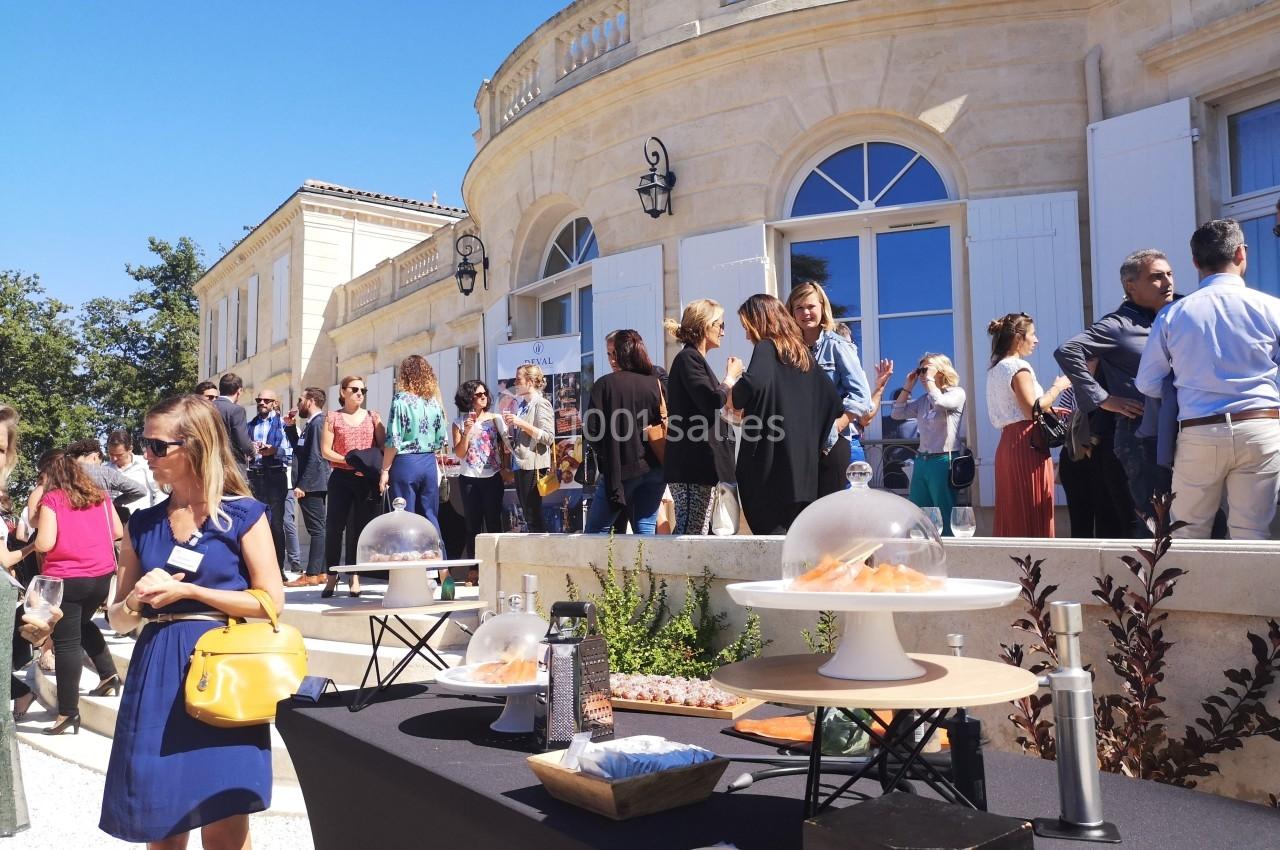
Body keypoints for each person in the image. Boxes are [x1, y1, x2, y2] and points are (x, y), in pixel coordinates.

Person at [98, 394, 283, 846]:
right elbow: (117, 619)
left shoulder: (242, 514)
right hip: (157, 671)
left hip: (224, 671)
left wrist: (191, 591)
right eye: (146, 443)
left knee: (224, 815)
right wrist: (139, 601)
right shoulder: (140, 524)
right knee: (157, 816)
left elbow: (271, 602)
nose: (147, 454)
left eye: (159, 446)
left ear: (196, 446)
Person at [1136, 219, 1280, 539]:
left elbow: (1146, 383)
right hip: (1261, 425)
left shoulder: (1174, 314)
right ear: (1241, 254)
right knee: (1252, 532)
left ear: (1195, 262)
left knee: (1187, 534)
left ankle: (1191, 592)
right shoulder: (1272, 308)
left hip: (1199, 428)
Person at [1055, 249, 1176, 533]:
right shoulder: (1118, 325)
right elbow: (1067, 350)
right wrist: (1103, 399)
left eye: (1169, 274)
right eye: (1156, 277)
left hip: (1185, 431)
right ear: (1131, 286)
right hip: (1140, 438)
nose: (1168, 282)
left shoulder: (1178, 311)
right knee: (1150, 521)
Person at [26, 450, 123, 735]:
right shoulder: (101, 497)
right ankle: (108, 675)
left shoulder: (52, 499)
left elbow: (44, 543)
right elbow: (117, 530)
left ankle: (67, 713)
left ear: (49, 477)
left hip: (67, 579)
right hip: (101, 576)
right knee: (80, 624)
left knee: (66, 642)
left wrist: (41, 491)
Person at [730, 294, 841, 534]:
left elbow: (750, 385)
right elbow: (832, 400)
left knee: (773, 545)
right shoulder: (802, 354)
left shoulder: (766, 347)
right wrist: (813, 439)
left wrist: (733, 383)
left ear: (760, 322)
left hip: (768, 470)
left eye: (747, 327)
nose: (747, 335)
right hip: (804, 474)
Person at [986, 313, 1072, 537]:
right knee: (1033, 509)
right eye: (1032, 335)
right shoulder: (1018, 367)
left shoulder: (995, 370)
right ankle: (1033, 568)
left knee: (1012, 511)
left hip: (1007, 444)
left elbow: (1017, 409)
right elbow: (1032, 410)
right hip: (1027, 445)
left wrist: (1049, 409)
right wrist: (1058, 387)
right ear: (1018, 337)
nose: (1036, 340)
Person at [663, 299, 743, 534]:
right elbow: (711, 400)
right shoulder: (688, 359)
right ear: (704, 325)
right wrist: (730, 378)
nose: (723, 331)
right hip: (690, 467)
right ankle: (678, 573)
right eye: (720, 324)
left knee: (695, 531)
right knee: (690, 532)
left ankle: (685, 572)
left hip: (697, 466)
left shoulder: (692, 359)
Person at [787, 282, 872, 497]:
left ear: (822, 307)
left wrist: (837, 425)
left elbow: (862, 395)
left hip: (831, 445)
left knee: (828, 513)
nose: (805, 313)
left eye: (810, 306)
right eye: (799, 308)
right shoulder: (789, 350)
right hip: (799, 444)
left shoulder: (837, 345)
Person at [583, 330, 667, 535]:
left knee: (596, 532)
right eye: (608, 354)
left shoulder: (604, 385)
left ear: (624, 353)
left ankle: (599, 569)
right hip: (655, 467)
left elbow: (592, 431)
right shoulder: (653, 382)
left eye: (614, 353)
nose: (611, 359)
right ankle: (644, 568)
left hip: (621, 469)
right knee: (645, 529)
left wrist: (608, 455)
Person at [319, 376, 384, 597]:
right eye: (355, 389)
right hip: (341, 477)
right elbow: (326, 451)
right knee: (334, 527)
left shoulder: (373, 416)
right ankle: (331, 576)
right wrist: (352, 461)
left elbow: (382, 447)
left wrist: (370, 467)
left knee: (359, 529)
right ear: (343, 391)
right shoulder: (333, 417)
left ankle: (354, 575)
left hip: (365, 480)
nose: (359, 393)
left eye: (363, 390)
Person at [890, 354, 967, 535]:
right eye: (921, 370)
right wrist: (908, 386)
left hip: (943, 460)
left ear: (942, 370)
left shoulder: (957, 393)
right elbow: (897, 413)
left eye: (927, 369)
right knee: (918, 512)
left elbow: (940, 403)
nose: (923, 374)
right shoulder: (923, 400)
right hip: (922, 460)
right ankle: (923, 553)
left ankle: (950, 552)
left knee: (944, 511)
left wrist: (931, 380)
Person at [380, 355, 448, 544]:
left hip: (405, 462)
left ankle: (409, 563)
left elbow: (393, 439)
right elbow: (442, 438)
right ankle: (438, 566)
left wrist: (385, 470)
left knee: (404, 516)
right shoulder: (434, 402)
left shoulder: (400, 400)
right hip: (428, 462)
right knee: (430, 515)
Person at [451, 380, 508, 558]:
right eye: (478, 394)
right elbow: (460, 453)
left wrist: (506, 469)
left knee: (493, 522)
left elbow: (506, 446)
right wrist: (467, 432)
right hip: (468, 478)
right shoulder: (458, 422)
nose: (484, 397)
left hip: (492, 476)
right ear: (468, 398)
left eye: (485, 393)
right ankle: (474, 569)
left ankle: (496, 564)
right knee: (472, 525)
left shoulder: (494, 419)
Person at [284, 388, 330, 586]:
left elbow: (315, 458)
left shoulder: (318, 423)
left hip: (312, 484)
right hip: (311, 483)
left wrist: (302, 484)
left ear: (310, 401)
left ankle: (311, 574)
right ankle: (320, 573)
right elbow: (301, 451)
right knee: (318, 528)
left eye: (301, 399)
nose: (298, 404)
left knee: (317, 529)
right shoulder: (311, 424)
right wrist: (290, 428)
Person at [504, 364, 555, 533]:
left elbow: (548, 437)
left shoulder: (541, 404)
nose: (515, 383)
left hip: (533, 464)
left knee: (533, 514)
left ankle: (542, 553)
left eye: (518, 379)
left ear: (531, 381)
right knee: (528, 513)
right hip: (521, 463)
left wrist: (521, 423)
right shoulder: (523, 405)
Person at [246, 388, 288, 577]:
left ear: (274, 404)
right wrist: (251, 450)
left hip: (275, 475)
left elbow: (289, 452)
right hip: (255, 476)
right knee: (255, 524)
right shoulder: (250, 425)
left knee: (277, 524)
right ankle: (258, 569)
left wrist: (273, 450)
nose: (261, 403)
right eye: (259, 400)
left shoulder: (282, 425)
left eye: (266, 400)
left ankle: (278, 569)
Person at [66, 438, 148, 519]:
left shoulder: (61, 474)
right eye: (100, 462)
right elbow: (140, 490)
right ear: (96, 456)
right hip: (100, 524)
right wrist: (116, 502)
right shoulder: (105, 473)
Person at [105, 430, 162, 514]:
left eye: (119, 455)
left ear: (130, 449)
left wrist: (154, 515)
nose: (114, 459)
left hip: (142, 521)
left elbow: (159, 492)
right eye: (111, 454)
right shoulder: (104, 470)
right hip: (114, 523)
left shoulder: (145, 464)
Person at [213, 373, 256, 468]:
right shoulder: (236, 410)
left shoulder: (206, 407)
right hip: (231, 464)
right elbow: (242, 441)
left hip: (210, 463)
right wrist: (253, 451)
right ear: (239, 391)